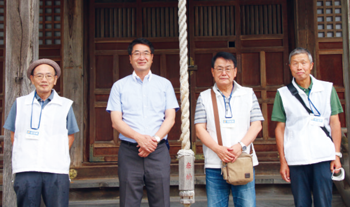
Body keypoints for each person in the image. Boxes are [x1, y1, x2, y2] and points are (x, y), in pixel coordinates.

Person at [106, 38, 179, 207]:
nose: (142, 57)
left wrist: (153, 141)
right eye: (136, 53)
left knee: (161, 200)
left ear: (152, 57)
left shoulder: (164, 84)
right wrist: (139, 138)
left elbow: (170, 117)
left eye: (146, 53)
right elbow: (116, 121)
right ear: (130, 58)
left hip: (158, 150)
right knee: (128, 201)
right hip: (129, 151)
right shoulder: (119, 86)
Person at [272, 47, 343, 207]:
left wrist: (336, 154)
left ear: (311, 65)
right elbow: (280, 128)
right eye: (295, 63)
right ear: (289, 66)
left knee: (323, 202)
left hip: (323, 155)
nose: (299, 67)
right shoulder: (283, 94)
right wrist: (283, 161)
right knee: (301, 202)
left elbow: (335, 122)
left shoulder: (327, 89)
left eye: (303, 62)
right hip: (296, 157)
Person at [3, 58, 79, 207]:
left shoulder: (65, 105)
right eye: (39, 76)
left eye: (49, 76)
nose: (44, 80)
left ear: (55, 79)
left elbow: (70, 135)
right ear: (32, 79)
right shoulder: (20, 103)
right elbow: (14, 135)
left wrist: (55, 152)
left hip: (56, 168)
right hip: (27, 168)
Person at [195, 51, 264, 207]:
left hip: (243, 160)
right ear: (212, 72)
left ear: (235, 72)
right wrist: (218, 149)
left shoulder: (248, 94)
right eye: (219, 69)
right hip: (215, 164)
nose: (223, 73)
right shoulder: (204, 97)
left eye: (228, 68)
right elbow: (200, 129)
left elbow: (257, 124)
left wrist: (240, 146)